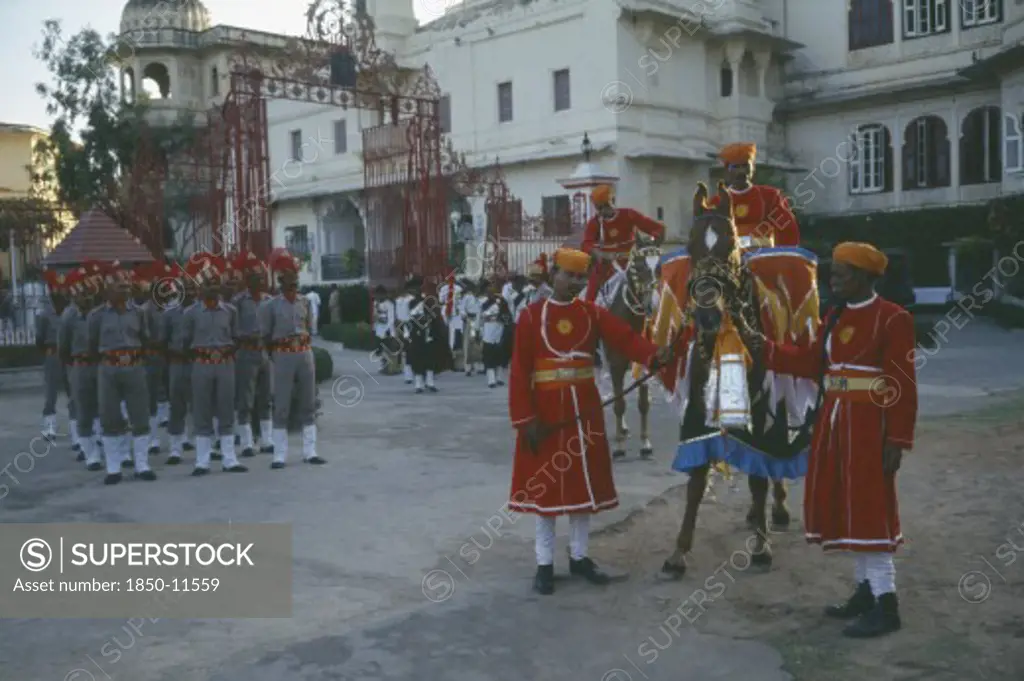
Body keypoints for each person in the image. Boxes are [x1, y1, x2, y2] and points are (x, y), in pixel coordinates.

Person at [759, 242, 916, 638]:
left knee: (870, 508)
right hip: (834, 423)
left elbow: (903, 385)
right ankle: (865, 591)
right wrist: (759, 346)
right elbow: (811, 362)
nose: (832, 280)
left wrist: (896, 439)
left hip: (869, 425)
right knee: (848, 507)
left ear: (864, 277)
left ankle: (887, 603)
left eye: (841, 274)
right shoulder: (833, 317)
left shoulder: (893, 319)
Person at [508, 248, 673, 595]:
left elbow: (626, 339)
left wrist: (654, 354)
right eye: (570, 276)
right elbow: (520, 372)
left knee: (584, 485)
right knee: (547, 492)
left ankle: (580, 556)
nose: (577, 283)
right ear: (554, 274)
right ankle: (544, 563)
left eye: (582, 278)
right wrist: (526, 420)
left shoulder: (592, 313)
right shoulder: (530, 316)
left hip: (584, 407)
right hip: (546, 413)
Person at [87, 264, 155, 484]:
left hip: (134, 366)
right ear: (107, 289)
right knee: (110, 417)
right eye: (119, 285)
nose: (124, 290)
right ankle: (113, 468)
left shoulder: (139, 313)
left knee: (140, 416)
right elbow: (91, 346)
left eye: (127, 285)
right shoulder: (96, 316)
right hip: (108, 369)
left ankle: (142, 465)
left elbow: (146, 340)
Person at [261, 249, 325, 468]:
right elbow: (266, 336)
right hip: (283, 353)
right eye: (288, 282)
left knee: (309, 401)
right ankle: (279, 454)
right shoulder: (271, 306)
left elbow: (310, 327)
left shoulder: (304, 302)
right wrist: (276, 356)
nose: (292, 286)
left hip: (304, 352)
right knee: (281, 403)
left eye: (295, 282)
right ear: (280, 283)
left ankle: (310, 451)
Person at [579, 184, 665, 304]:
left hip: (633, 263)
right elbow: (586, 244)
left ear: (612, 201)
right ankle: (588, 312)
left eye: (606, 206)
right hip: (607, 267)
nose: (603, 211)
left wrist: (649, 243)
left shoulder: (629, 215)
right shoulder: (594, 223)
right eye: (599, 208)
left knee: (654, 282)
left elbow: (658, 229)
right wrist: (600, 254)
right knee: (591, 295)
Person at [707, 142, 800, 248]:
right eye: (736, 167)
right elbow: (708, 238)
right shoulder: (716, 202)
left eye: (745, 165)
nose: (741, 171)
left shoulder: (770, 196)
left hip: (764, 256)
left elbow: (787, 230)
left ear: (753, 168)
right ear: (727, 171)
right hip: (729, 259)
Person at [59, 266, 102, 469]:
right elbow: (63, 347)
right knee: (82, 409)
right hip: (80, 365)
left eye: (89, 289)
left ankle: (108, 448)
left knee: (104, 406)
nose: (86, 294)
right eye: (81, 289)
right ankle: (90, 453)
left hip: (100, 365)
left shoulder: (100, 313)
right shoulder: (69, 316)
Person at [232, 251, 273, 458]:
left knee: (265, 397)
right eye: (255, 277)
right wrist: (247, 337)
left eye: (262, 276)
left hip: (265, 353)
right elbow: (233, 330)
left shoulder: (268, 300)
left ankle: (267, 440)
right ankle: (246, 442)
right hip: (246, 353)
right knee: (245, 399)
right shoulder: (238, 302)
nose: (260, 280)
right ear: (248, 280)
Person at [162, 263, 196, 465]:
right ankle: (175, 448)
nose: (189, 292)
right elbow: (162, 341)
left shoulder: (201, 310)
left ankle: (203, 445)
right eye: (185, 288)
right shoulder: (170, 313)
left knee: (201, 405)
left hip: (197, 362)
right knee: (176, 405)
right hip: (177, 364)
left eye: (192, 288)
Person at [38, 269, 73, 442]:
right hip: (52, 354)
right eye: (57, 288)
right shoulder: (45, 314)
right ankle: (49, 427)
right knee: (51, 392)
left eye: (63, 288)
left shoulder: (70, 311)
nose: (60, 291)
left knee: (73, 390)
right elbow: (39, 338)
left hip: (69, 355)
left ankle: (77, 427)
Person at [405, 275, 449, 393]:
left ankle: (430, 382)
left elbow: (435, 317)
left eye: (417, 288)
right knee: (417, 358)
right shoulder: (410, 303)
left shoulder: (428, 301)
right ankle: (418, 384)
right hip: (415, 333)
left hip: (428, 332)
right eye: (412, 289)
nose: (415, 291)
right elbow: (407, 319)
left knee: (430, 357)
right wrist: (407, 334)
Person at [478, 279, 512, 388]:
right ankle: (491, 380)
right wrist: (477, 329)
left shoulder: (502, 301)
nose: (490, 293)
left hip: (499, 330)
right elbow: (480, 318)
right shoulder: (482, 303)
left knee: (500, 355)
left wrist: (501, 319)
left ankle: (499, 378)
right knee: (489, 355)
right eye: (488, 292)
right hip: (487, 331)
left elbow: (507, 316)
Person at [372, 285, 398, 373]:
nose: (378, 297)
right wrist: (374, 328)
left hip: (388, 329)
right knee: (380, 349)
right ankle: (383, 364)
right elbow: (375, 316)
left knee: (388, 349)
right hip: (379, 328)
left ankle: (391, 367)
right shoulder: (376, 303)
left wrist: (387, 329)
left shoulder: (389, 304)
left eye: (380, 295)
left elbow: (391, 318)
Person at [460, 280, 483, 377]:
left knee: (477, 343)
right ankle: (467, 366)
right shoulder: (467, 297)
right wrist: (465, 316)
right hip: (470, 320)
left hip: (478, 321)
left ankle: (478, 365)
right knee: (468, 344)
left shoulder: (480, 299)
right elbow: (461, 308)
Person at [394, 281, 415, 384]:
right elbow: (397, 315)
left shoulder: (411, 300)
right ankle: (407, 373)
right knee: (403, 351)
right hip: (401, 327)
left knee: (410, 350)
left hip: (410, 326)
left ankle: (412, 372)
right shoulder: (398, 301)